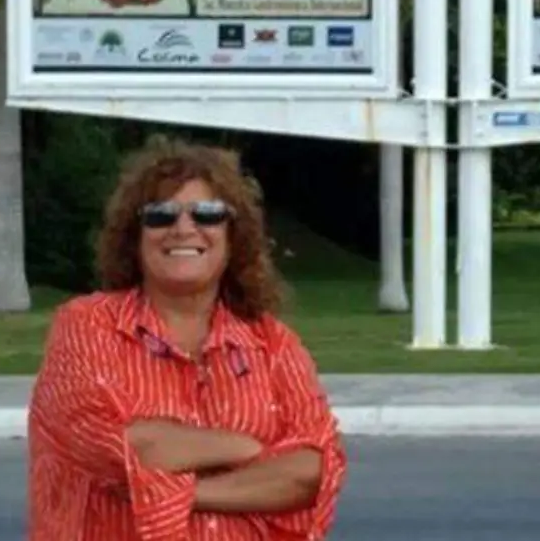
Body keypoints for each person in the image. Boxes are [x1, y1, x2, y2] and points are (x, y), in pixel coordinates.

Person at [27, 140, 347, 541]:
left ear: (233, 235)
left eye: (207, 213)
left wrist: (184, 494)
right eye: (160, 215)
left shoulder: (273, 344)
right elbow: (119, 449)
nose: (183, 228)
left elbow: (311, 470)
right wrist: (251, 449)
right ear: (134, 236)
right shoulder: (86, 326)